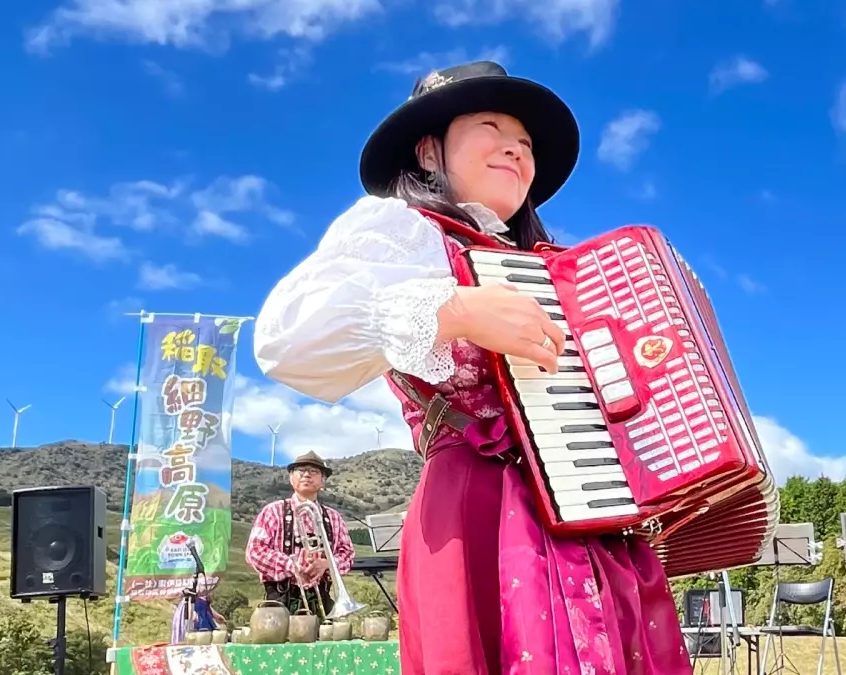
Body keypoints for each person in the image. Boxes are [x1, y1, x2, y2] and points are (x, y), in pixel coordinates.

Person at [252, 61, 691, 674]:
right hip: (477, 513)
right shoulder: (403, 232)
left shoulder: (571, 273)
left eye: (527, 142)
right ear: (429, 151)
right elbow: (286, 340)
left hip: (594, 526)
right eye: (491, 125)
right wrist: (454, 307)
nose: (515, 146)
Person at [245, 451, 355, 617]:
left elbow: (347, 555)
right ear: (291, 478)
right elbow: (255, 552)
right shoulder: (273, 511)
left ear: (323, 481)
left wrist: (326, 564)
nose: (306, 475)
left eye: (314, 471)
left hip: (322, 604)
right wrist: (292, 566)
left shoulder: (333, 517)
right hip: (279, 603)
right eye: (300, 470)